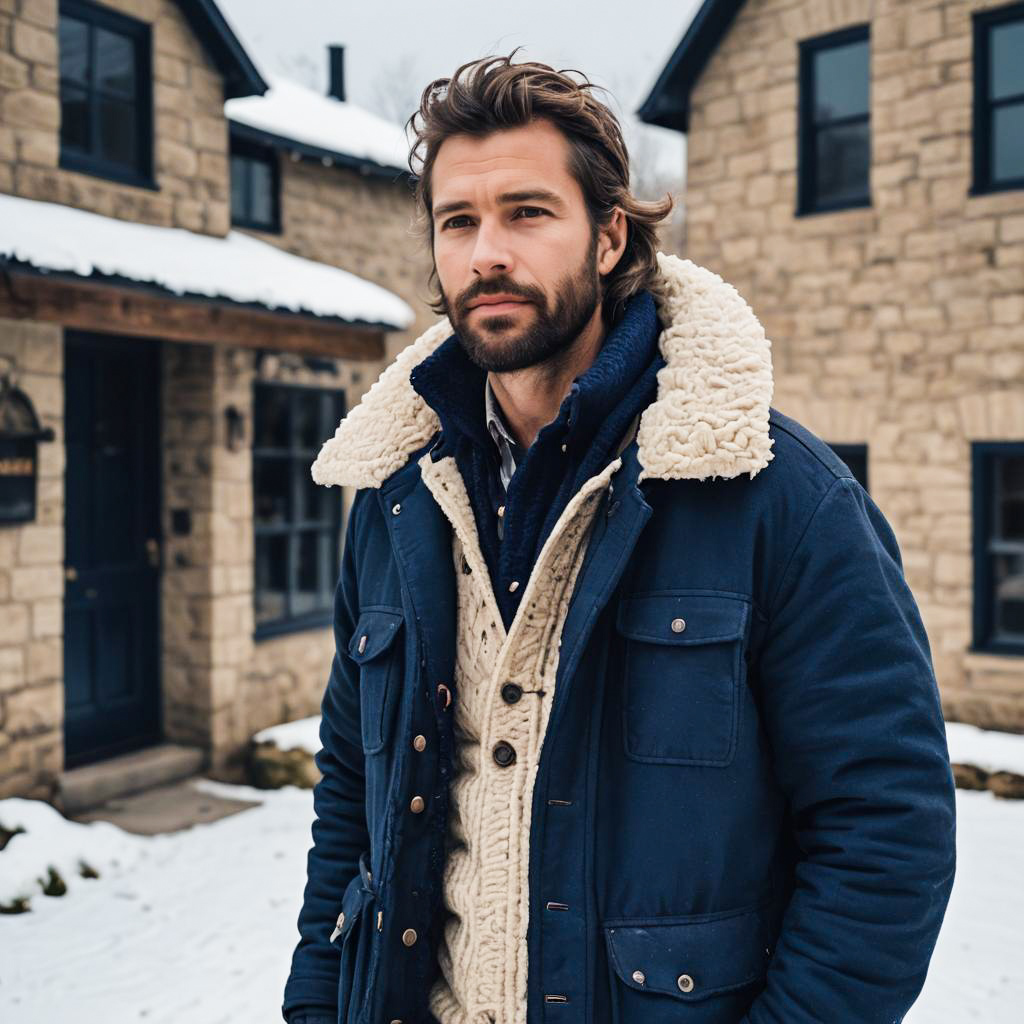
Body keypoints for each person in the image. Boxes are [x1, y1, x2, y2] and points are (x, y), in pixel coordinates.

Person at [282, 52, 956, 1024]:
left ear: (606, 237)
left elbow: (885, 835)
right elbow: (351, 790)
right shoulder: (394, 496)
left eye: (527, 212)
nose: (486, 254)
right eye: (457, 221)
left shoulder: (778, 495)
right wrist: (315, 1003)